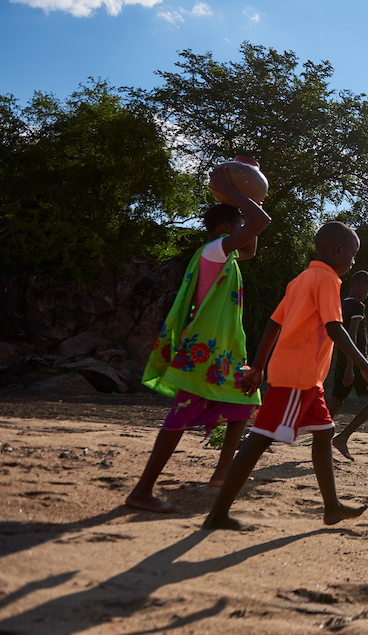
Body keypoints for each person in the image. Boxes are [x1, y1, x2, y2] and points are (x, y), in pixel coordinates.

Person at [202, 222, 368, 530]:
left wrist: (258, 367)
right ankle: (217, 514)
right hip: (298, 376)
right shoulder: (327, 280)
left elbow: (273, 323)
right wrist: (364, 364)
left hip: (307, 379)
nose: (353, 261)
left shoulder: (301, 279)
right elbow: (335, 328)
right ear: (337, 250)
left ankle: (332, 507)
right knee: (259, 440)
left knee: (324, 433)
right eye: (352, 254)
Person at [126, 168, 270, 513]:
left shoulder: (227, 254)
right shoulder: (214, 252)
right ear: (224, 230)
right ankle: (142, 490)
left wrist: (250, 200)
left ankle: (222, 472)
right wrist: (237, 196)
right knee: (177, 421)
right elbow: (260, 221)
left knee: (244, 402)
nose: (243, 233)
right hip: (202, 354)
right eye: (238, 226)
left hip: (220, 356)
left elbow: (251, 243)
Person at [326, 270, 368, 461]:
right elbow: (351, 336)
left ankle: (321, 440)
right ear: (361, 285)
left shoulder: (340, 304)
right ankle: (342, 438)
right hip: (357, 365)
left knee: (335, 401)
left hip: (343, 361)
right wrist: (355, 366)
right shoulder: (358, 306)